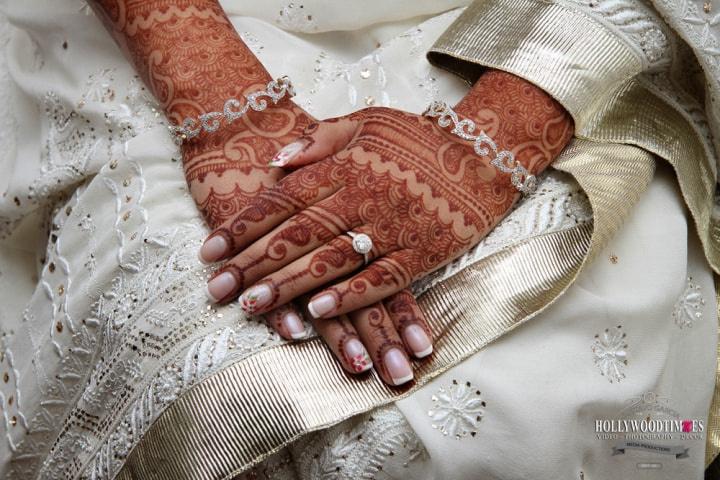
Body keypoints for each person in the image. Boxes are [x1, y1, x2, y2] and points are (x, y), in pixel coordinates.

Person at [0, 0, 717, 478]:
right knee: (242, 383)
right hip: (184, 28)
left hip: (558, 31)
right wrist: (223, 108)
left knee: (518, 406)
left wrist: (487, 141)